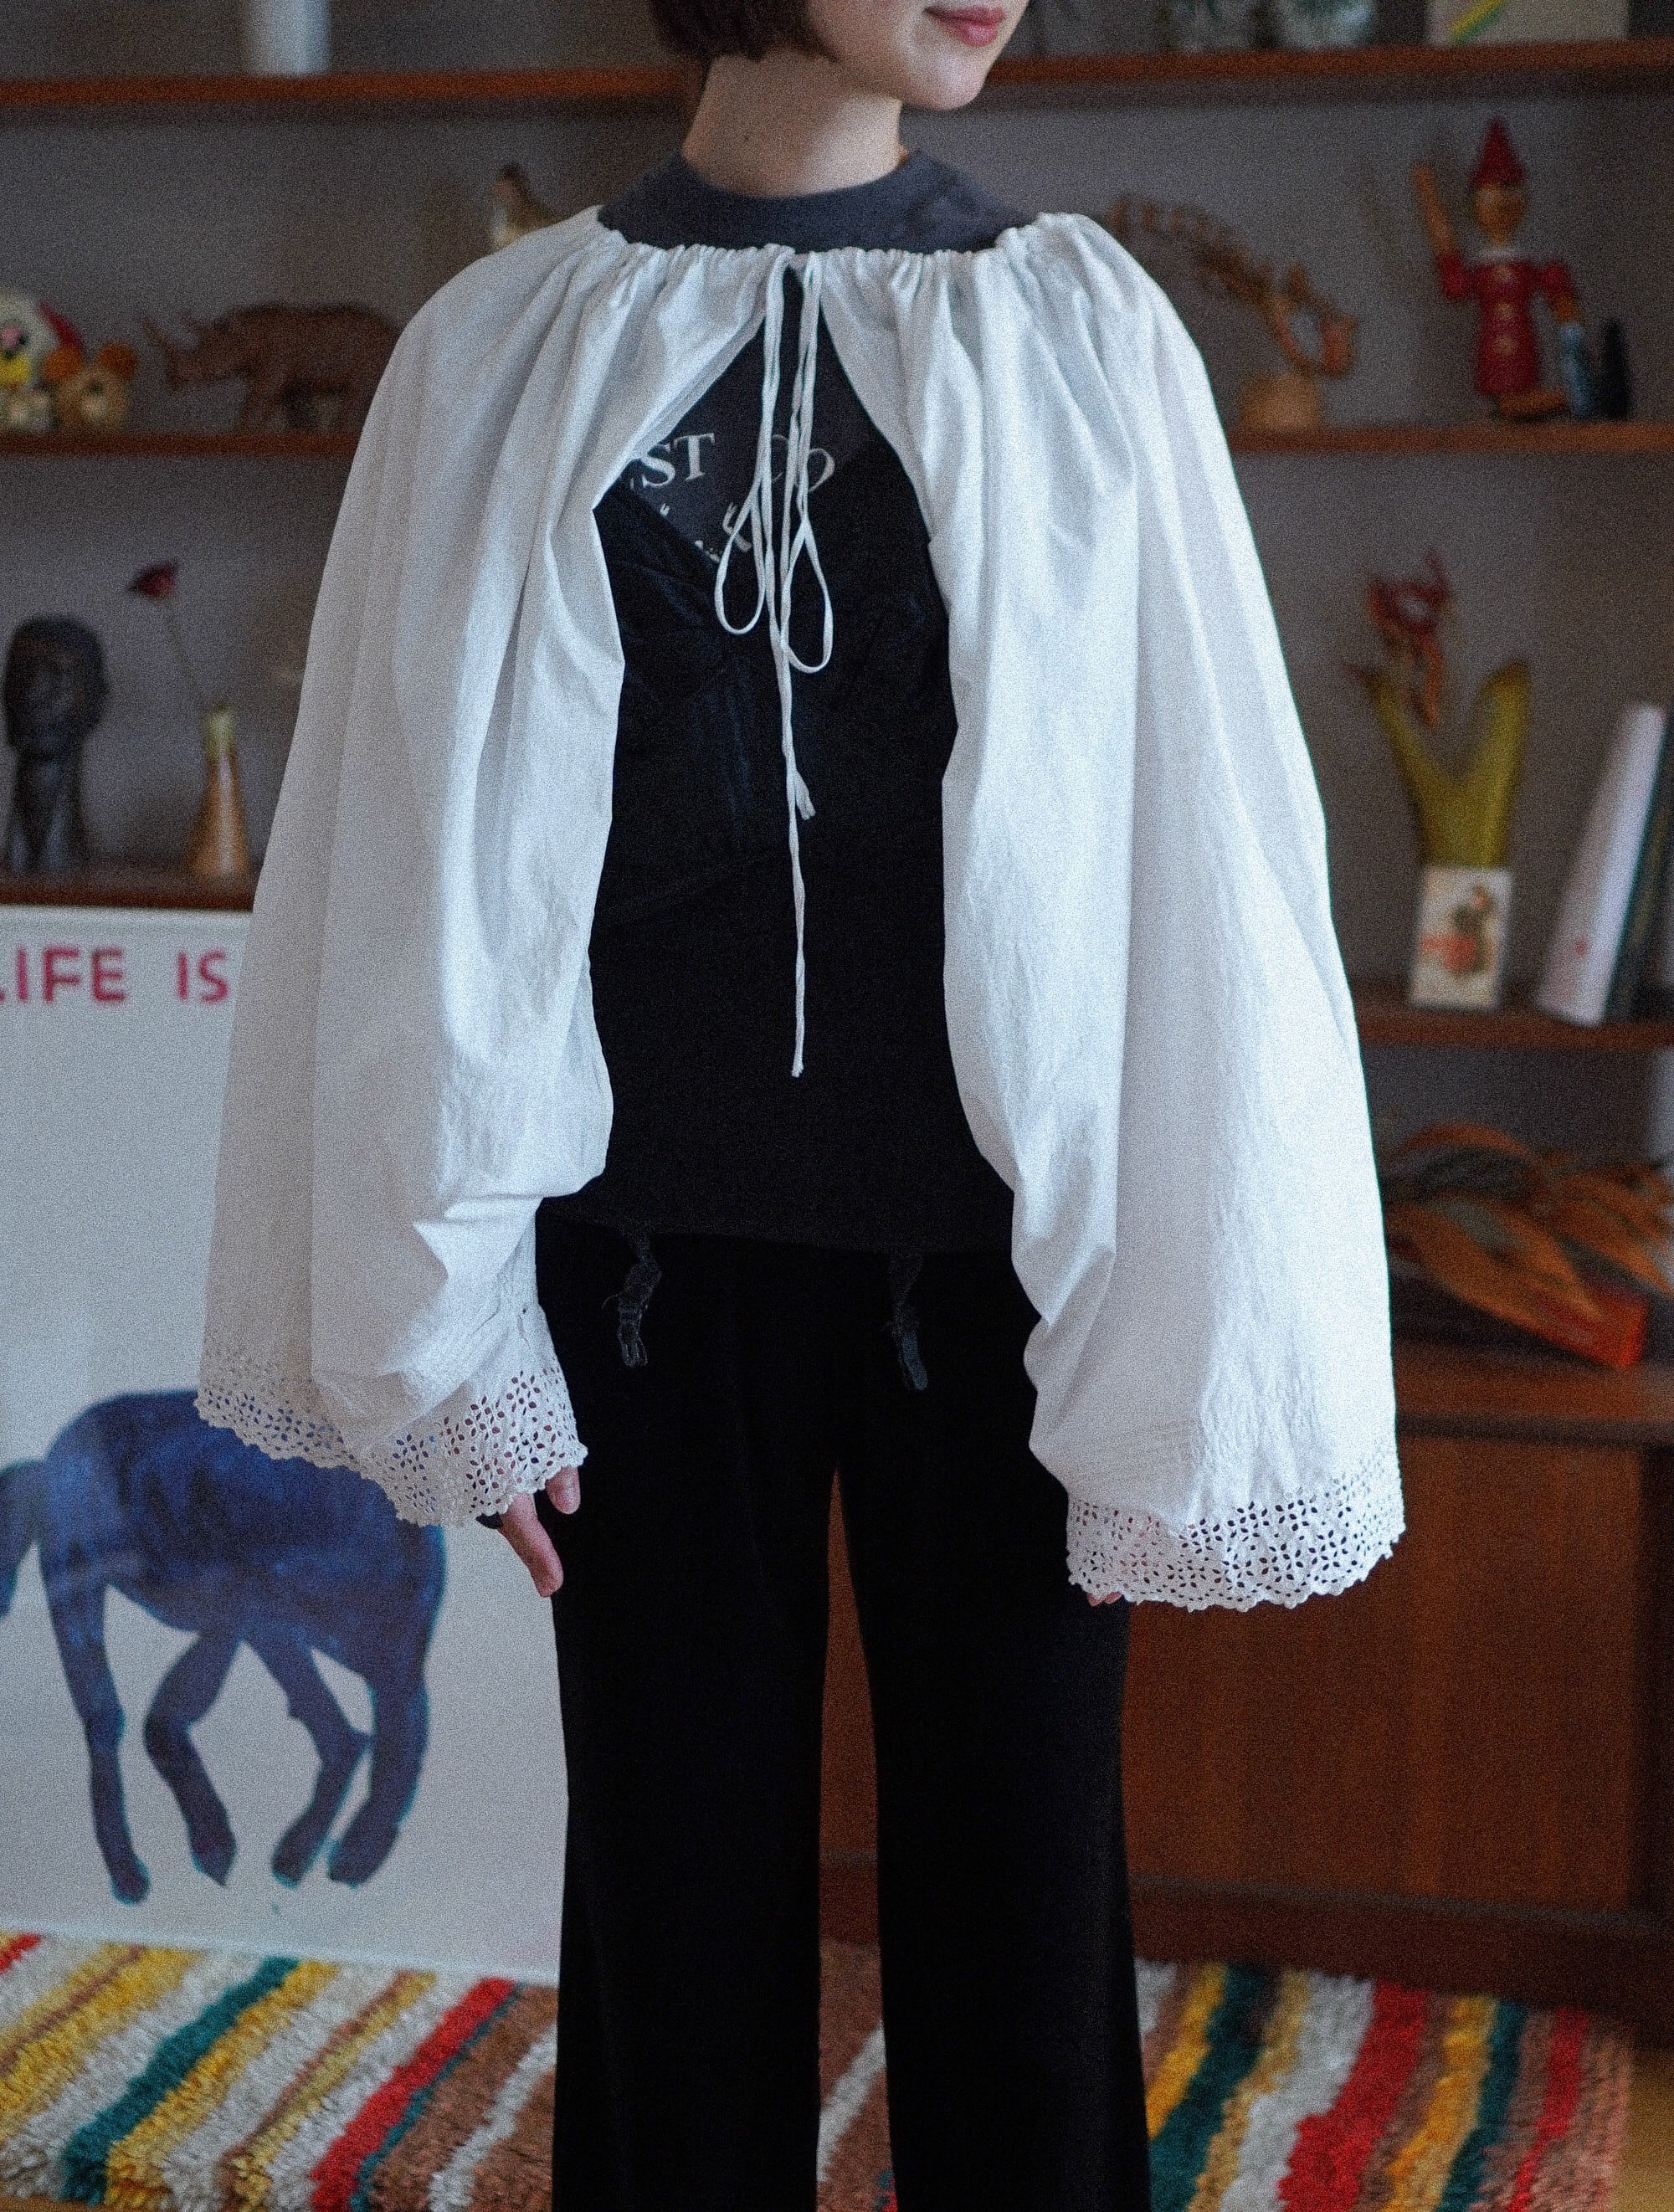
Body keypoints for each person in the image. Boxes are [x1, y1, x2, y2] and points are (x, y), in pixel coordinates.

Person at [197, 2, 1404, 2205]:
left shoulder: (1082, 335)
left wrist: (1198, 1304)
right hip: (645, 1284)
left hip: (1011, 1291)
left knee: (1026, 1910)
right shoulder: (498, 354)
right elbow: (398, 880)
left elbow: (1205, 851)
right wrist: (451, 1328)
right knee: (669, 1918)